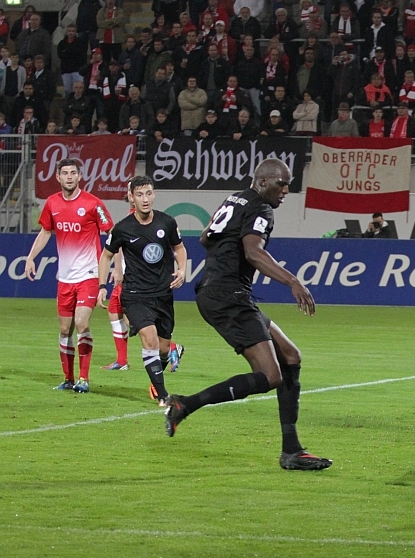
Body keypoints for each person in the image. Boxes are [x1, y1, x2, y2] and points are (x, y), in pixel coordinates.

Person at [163, 159, 331, 471]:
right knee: (270, 375)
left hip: (221, 292)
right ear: (263, 181)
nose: (286, 190)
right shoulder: (260, 208)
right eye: (281, 184)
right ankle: (185, 404)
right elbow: (254, 252)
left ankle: (292, 451)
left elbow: (205, 238)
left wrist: (227, 255)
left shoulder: (236, 199)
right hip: (227, 295)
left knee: (290, 356)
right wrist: (292, 281)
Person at [24, 159, 114, 393]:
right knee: (65, 329)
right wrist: (31, 257)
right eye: (65, 173)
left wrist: (115, 264)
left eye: (73, 172)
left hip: (89, 274)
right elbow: (46, 231)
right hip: (64, 278)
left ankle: (84, 378)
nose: (69, 176)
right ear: (58, 177)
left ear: (79, 176)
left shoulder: (93, 204)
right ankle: (68, 378)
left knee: (82, 323)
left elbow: (112, 233)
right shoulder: (52, 203)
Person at [97, 176, 187, 405]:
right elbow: (106, 256)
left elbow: (179, 248)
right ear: (131, 198)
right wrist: (102, 286)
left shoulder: (167, 222)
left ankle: (156, 379)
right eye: (139, 195)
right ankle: (163, 395)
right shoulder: (122, 228)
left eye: (148, 193)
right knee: (149, 338)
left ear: (154, 194)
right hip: (135, 295)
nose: (145, 199)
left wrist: (182, 269)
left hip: (163, 295)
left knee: (163, 348)